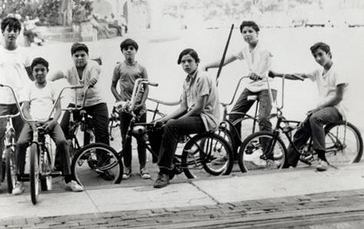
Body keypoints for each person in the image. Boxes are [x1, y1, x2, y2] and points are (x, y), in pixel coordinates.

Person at [270, 42, 348, 172]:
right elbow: (299, 76)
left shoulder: (338, 71)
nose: (318, 58)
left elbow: (338, 97)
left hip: (337, 108)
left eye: (320, 55)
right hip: (323, 108)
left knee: (315, 119)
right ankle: (288, 161)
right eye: (315, 56)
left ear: (329, 54)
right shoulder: (318, 71)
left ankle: (322, 159)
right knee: (302, 128)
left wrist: (317, 109)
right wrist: (277, 74)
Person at [148, 48, 220, 188]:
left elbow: (199, 107)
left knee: (172, 126)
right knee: (155, 128)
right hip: (195, 116)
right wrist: (162, 120)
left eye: (189, 61)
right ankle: (172, 164)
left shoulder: (202, 77)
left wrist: (176, 122)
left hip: (206, 118)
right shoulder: (187, 80)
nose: (186, 64)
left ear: (197, 62)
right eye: (183, 62)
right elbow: (183, 107)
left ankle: (164, 172)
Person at [0, 16, 33, 195]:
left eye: (15, 30)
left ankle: (19, 179)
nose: (12, 33)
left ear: (18, 33)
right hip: (1, 100)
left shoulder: (24, 53)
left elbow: (33, 77)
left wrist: (39, 92)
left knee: (21, 142)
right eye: (8, 30)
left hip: (20, 100)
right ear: (3, 32)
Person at [13, 57, 83, 195]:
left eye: (42, 70)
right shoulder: (29, 87)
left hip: (50, 121)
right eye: (36, 70)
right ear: (32, 72)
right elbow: (25, 108)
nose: (39, 73)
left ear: (47, 71)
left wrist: (52, 122)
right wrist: (32, 123)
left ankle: (69, 179)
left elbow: (58, 109)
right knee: (20, 144)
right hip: (32, 122)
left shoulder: (52, 86)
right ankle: (20, 180)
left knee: (62, 142)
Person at [204, 21, 274, 154]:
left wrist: (258, 73)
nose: (247, 34)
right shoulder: (244, 50)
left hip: (267, 86)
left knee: (263, 119)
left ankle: (267, 154)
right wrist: (207, 65)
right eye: (244, 32)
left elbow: (263, 60)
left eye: (250, 31)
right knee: (234, 116)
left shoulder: (264, 48)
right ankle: (235, 152)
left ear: (257, 33)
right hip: (252, 86)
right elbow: (225, 60)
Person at [50, 42, 112, 178]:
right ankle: (59, 165)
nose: (79, 58)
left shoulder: (93, 65)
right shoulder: (70, 68)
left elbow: (96, 72)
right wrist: (47, 81)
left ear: (87, 56)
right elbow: (59, 74)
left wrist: (94, 79)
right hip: (77, 103)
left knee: (102, 132)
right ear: (72, 57)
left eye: (82, 55)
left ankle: (104, 166)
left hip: (96, 102)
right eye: (76, 55)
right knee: (62, 129)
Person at [111, 38, 150, 180]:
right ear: (122, 51)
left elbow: (146, 87)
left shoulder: (141, 68)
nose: (129, 51)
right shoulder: (118, 67)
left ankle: (143, 167)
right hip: (125, 109)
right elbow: (113, 86)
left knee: (141, 139)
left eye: (131, 48)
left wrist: (142, 102)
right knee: (125, 139)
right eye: (126, 48)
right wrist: (121, 101)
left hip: (139, 108)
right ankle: (126, 167)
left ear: (135, 51)